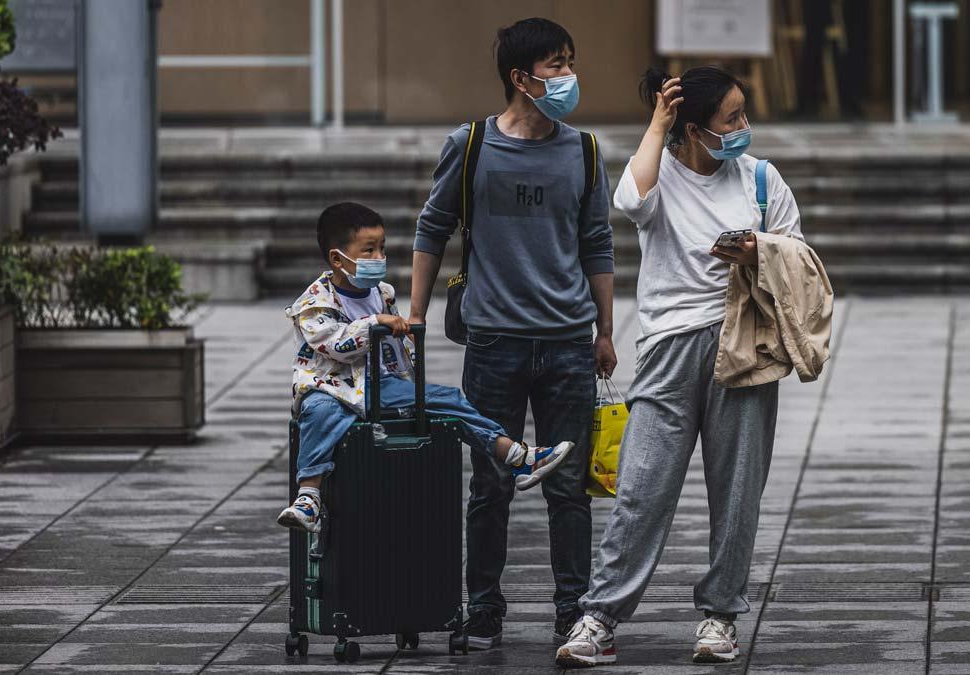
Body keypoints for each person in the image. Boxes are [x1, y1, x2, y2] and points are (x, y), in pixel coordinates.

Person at [555, 65, 803, 667]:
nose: (744, 127)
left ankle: (720, 616)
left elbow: (799, 260)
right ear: (694, 128)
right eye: (732, 119)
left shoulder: (763, 181)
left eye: (744, 114)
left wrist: (758, 252)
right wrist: (657, 124)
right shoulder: (658, 170)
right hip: (667, 349)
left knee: (738, 491)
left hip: (742, 345)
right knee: (640, 489)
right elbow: (629, 202)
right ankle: (601, 617)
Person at [406, 18, 616, 650]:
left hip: (567, 342)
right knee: (489, 484)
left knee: (569, 486)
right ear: (520, 78)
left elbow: (598, 243)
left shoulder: (583, 150)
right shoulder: (471, 146)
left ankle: (572, 607)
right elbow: (431, 229)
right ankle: (484, 605)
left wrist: (605, 331)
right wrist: (413, 318)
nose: (567, 76)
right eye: (555, 65)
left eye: (569, 62)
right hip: (493, 342)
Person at [277, 202, 575, 534]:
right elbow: (334, 344)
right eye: (369, 250)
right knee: (317, 412)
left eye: (382, 248)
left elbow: (395, 350)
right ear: (337, 259)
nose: (379, 258)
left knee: (447, 400)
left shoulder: (381, 293)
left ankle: (517, 456)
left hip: (378, 386)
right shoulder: (315, 302)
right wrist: (375, 323)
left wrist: (405, 364)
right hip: (329, 385)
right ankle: (309, 497)